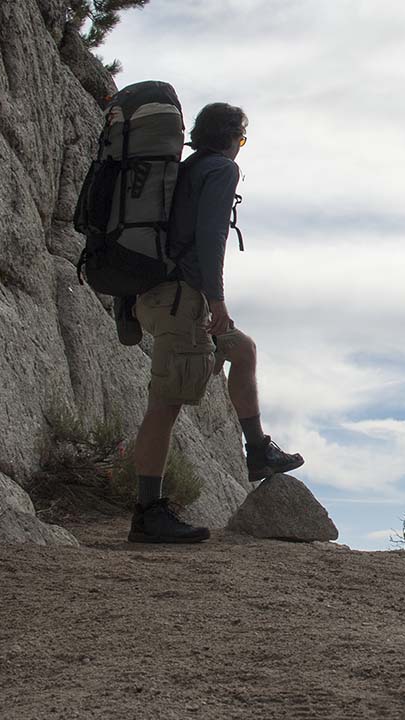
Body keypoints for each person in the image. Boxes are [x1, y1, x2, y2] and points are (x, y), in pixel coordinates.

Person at [126, 102, 304, 544]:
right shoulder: (221, 170)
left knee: (241, 350)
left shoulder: (186, 169)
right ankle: (147, 513)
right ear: (230, 139)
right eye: (241, 141)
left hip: (161, 296)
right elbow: (211, 238)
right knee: (165, 405)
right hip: (182, 300)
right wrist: (216, 299)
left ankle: (257, 451)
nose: (240, 149)